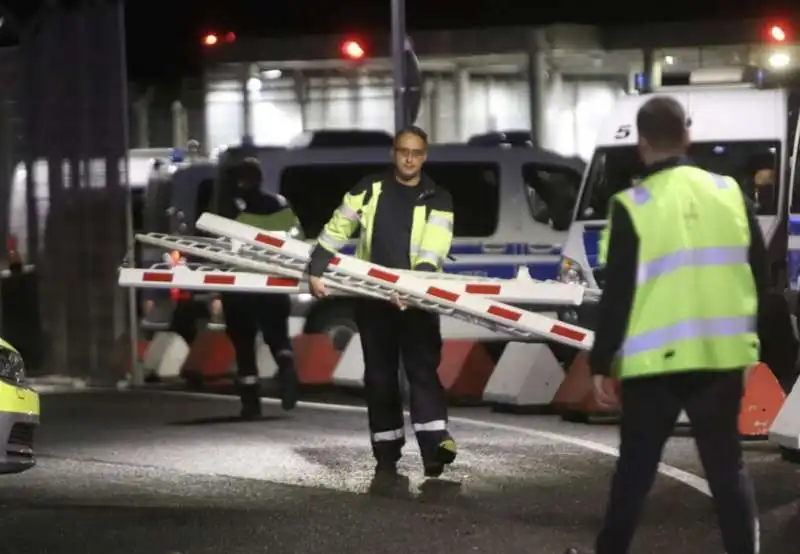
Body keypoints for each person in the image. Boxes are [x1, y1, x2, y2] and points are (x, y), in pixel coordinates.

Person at [566, 96, 767, 554]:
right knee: (726, 470)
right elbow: (757, 276)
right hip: (720, 357)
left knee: (635, 472)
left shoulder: (632, 205)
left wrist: (601, 361)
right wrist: (754, 348)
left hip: (653, 365)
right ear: (687, 137)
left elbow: (618, 293)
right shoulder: (730, 193)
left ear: (641, 145)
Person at [304, 126, 457, 478]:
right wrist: (317, 266)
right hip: (373, 297)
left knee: (422, 370)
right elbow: (338, 226)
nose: (409, 158)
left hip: (417, 299)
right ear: (394, 153)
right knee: (379, 375)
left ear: (425, 156)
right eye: (403, 151)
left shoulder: (438, 197)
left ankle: (435, 448)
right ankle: (386, 449)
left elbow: (435, 247)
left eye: (416, 153)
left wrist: (413, 286)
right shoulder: (369, 189)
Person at [217, 157, 301, 419]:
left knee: (244, 345)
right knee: (277, 336)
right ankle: (287, 370)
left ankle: (250, 404)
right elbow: (294, 235)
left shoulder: (228, 208)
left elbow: (217, 245)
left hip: (240, 287)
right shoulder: (278, 203)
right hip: (272, 282)